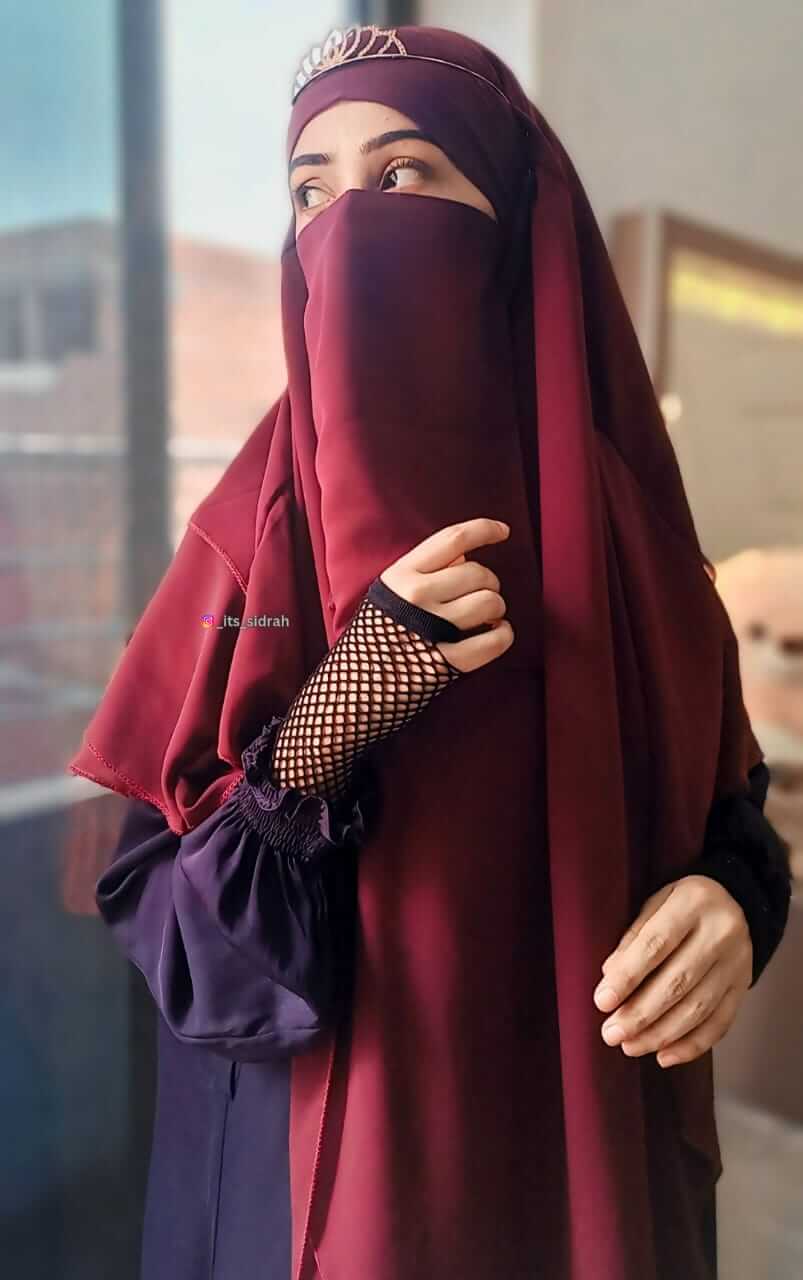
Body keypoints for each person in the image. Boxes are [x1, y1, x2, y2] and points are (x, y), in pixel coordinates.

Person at [67, 23, 792, 1280]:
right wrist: (337, 710)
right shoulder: (245, 541)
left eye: (402, 174)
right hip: (325, 1180)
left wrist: (737, 896)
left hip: (583, 1145)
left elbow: (726, 795)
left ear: (507, 218)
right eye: (310, 191)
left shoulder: (635, 537)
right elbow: (174, 934)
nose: (348, 223)